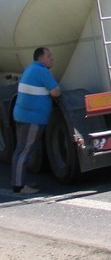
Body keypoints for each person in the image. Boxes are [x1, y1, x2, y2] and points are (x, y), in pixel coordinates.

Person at [11, 47, 61, 195]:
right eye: (48, 56)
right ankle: (18, 186)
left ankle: (18, 182)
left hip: (23, 115)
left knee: (21, 149)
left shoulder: (31, 68)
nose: (51, 58)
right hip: (32, 118)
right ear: (40, 58)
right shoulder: (41, 71)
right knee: (24, 151)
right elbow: (56, 91)